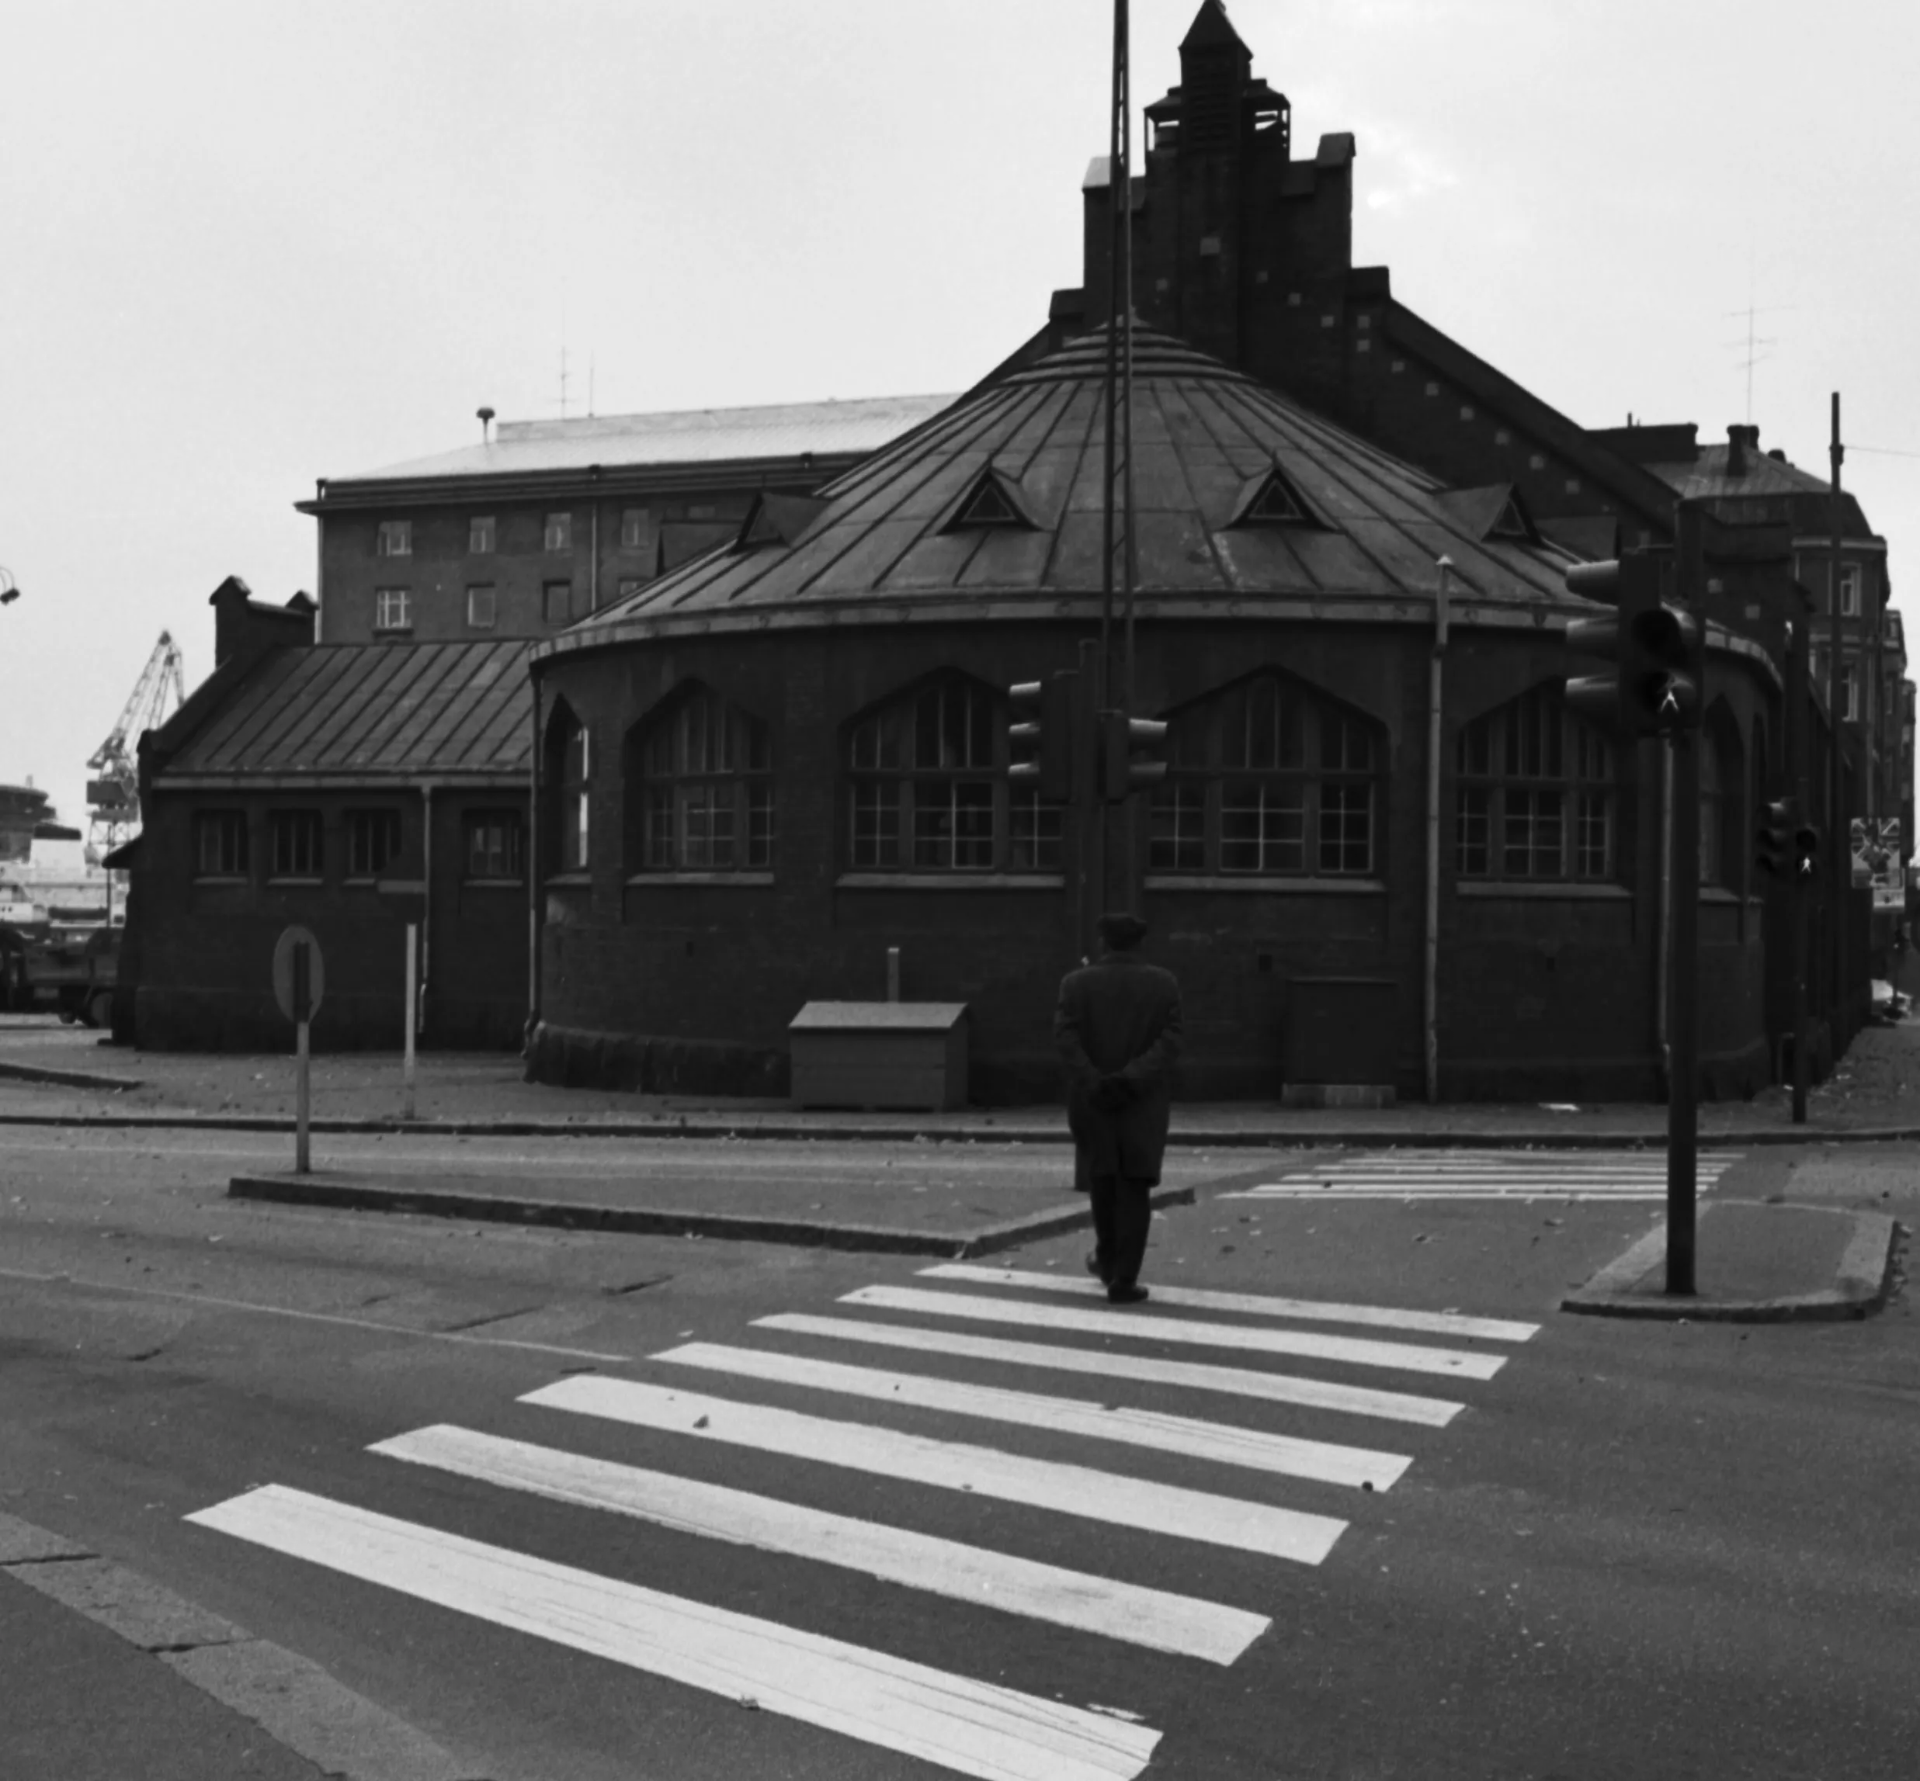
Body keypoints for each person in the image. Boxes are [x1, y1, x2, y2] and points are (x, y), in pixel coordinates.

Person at [1053, 911, 1183, 1305]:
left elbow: (1065, 1038)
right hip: (1141, 1102)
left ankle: (1107, 1258)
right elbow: (1170, 1041)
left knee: (1103, 1180)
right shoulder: (1163, 984)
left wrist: (1095, 1080)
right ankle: (1124, 1278)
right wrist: (1132, 1078)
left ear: (1103, 943)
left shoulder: (1075, 984)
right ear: (1138, 943)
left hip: (1093, 1101)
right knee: (1135, 1186)